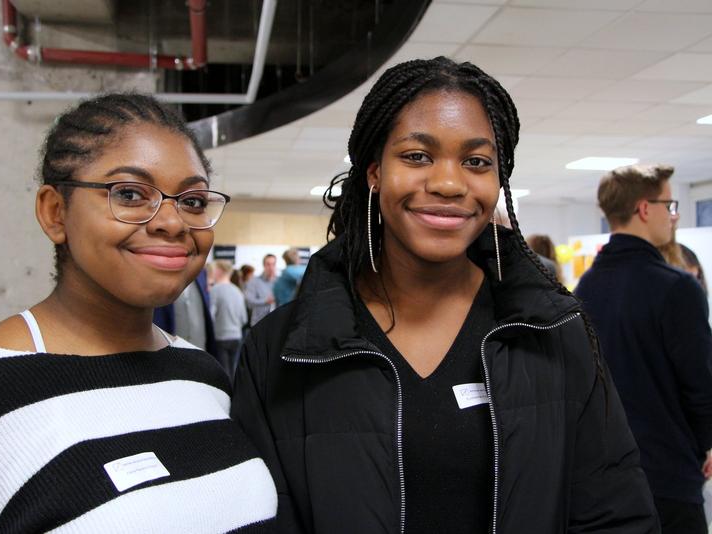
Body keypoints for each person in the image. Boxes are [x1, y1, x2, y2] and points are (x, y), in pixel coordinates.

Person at [233, 57, 657, 533]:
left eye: (476, 162)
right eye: (417, 156)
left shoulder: (555, 333)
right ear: (374, 172)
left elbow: (614, 511)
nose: (450, 184)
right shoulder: (282, 350)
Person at [0, 94, 277, 532]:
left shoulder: (201, 374)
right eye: (129, 194)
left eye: (193, 202)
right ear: (55, 212)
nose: (173, 222)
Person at [575, 163, 712, 534]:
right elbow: (699, 382)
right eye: (669, 205)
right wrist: (708, 443)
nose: (674, 216)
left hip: (605, 474)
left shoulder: (584, 289)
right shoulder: (677, 288)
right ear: (644, 209)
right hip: (668, 472)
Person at [209, 259, 249, 380]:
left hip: (220, 336)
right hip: (236, 336)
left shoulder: (215, 290)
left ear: (219, 271)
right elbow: (244, 318)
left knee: (223, 372)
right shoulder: (238, 291)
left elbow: (211, 315)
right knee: (234, 370)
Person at [244, 254, 277, 327]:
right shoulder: (254, 282)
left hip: (276, 324)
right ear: (264, 266)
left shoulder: (280, 282)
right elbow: (249, 302)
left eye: (273, 264)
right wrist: (265, 301)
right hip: (258, 324)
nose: (271, 267)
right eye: (268, 264)